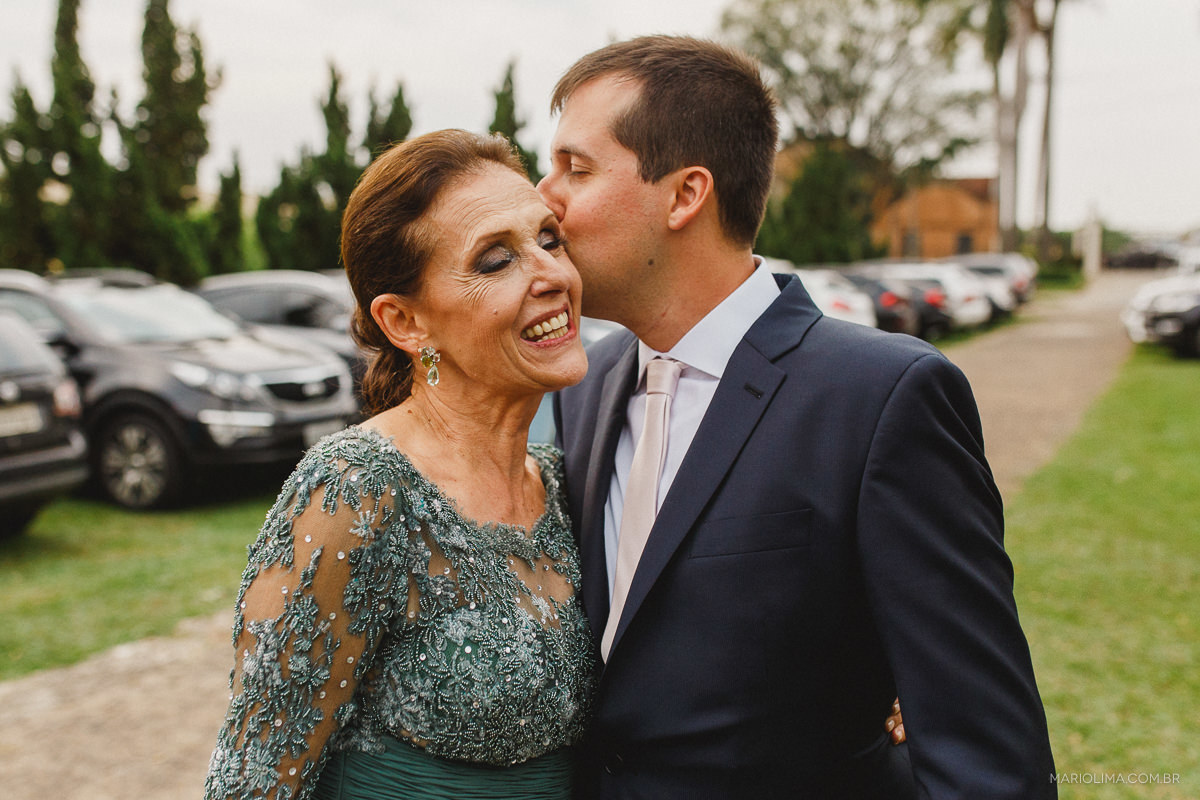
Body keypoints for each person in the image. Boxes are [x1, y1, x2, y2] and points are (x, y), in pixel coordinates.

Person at [539, 36, 1056, 798]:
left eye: (574, 169)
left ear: (685, 195)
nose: (541, 196)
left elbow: (986, 757)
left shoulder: (884, 398)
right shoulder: (582, 385)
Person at [203, 129, 597, 800]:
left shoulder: (560, 483)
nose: (553, 274)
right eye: (497, 260)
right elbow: (255, 779)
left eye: (549, 239)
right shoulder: (357, 492)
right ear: (405, 322)